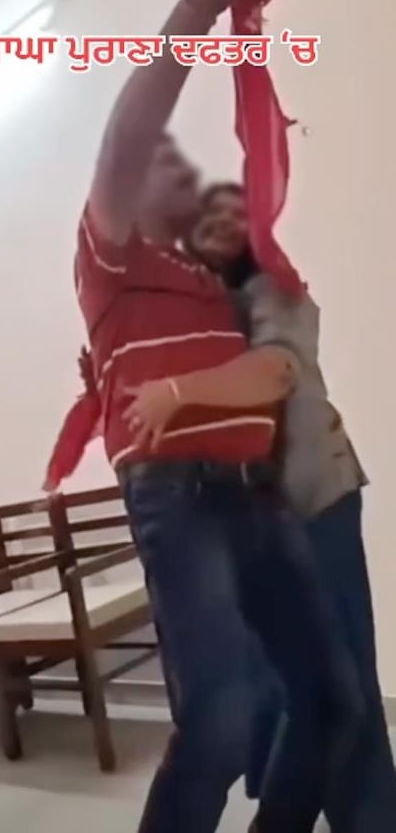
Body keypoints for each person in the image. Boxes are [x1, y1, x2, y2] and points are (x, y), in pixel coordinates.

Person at [65, 0, 363, 831]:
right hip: (180, 493)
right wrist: (201, 4)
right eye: (159, 168)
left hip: (259, 495)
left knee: (330, 703)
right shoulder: (110, 259)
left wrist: (250, 23)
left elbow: (278, 356)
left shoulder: (214, 280)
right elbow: (128, 138)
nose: (175, 174)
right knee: (223, 718)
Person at [125, 181, 396, 831]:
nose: (222, 223)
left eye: (234, 214)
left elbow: (276, 370)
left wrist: (176, 390)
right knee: (296, 693)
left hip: (314, 500)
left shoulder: (276, 286)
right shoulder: (207, 311)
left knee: (346, 688)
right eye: (209, 217)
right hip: (249, 519)